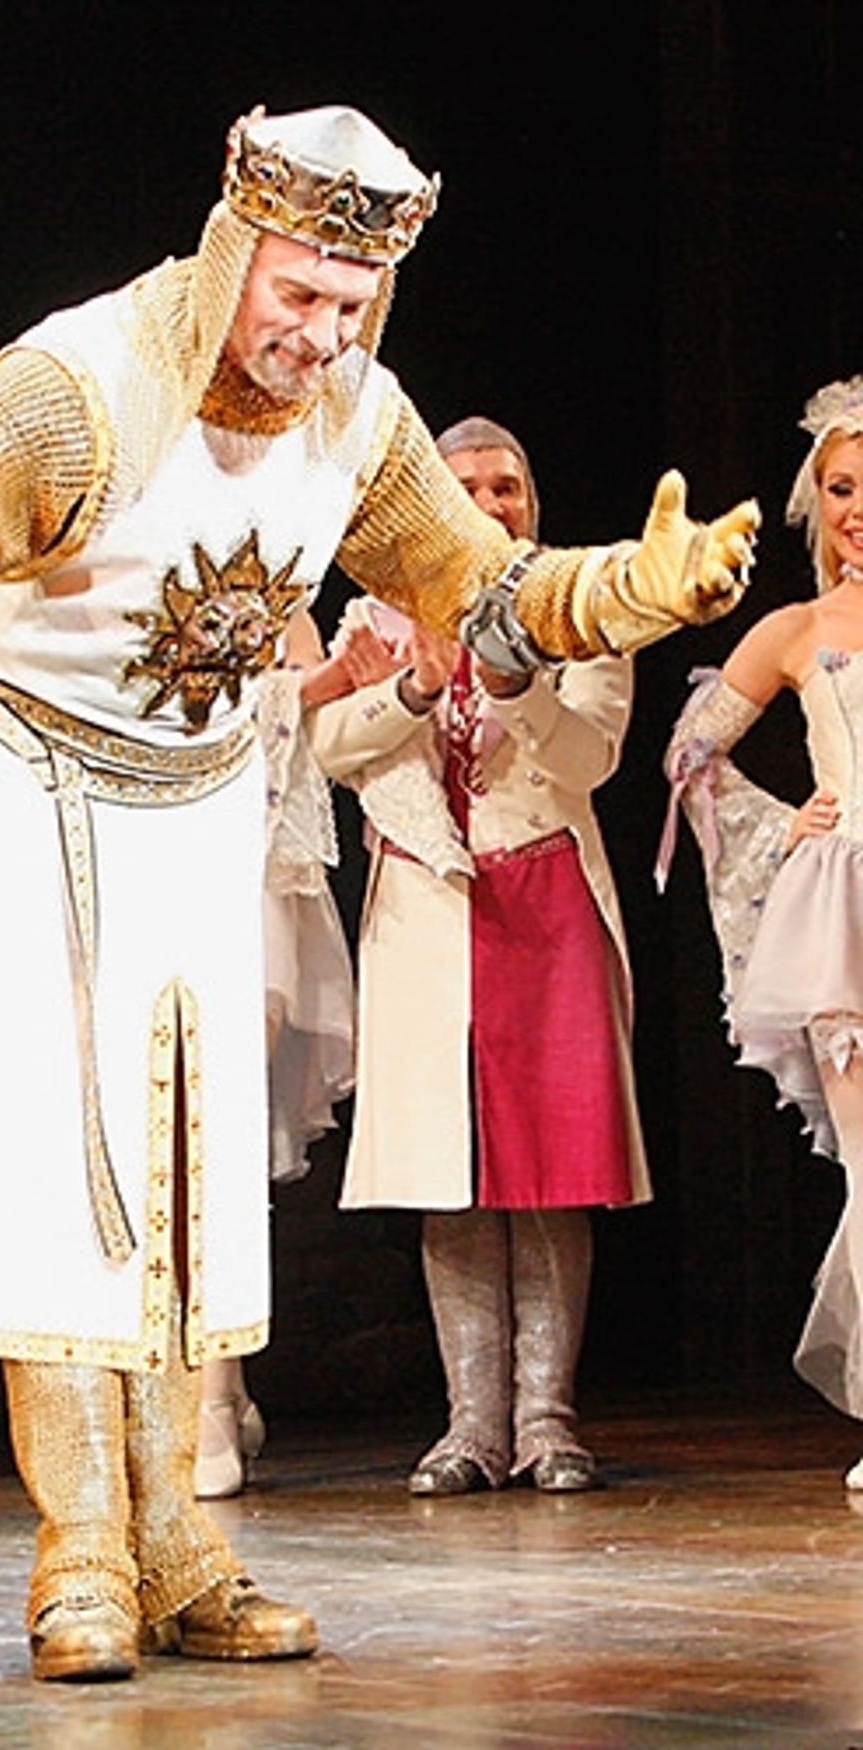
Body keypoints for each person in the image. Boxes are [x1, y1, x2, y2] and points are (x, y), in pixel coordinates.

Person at [0, 104, 757, 1682]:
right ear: (235, 251)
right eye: (300, 292)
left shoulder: (360, 419)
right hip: (26, 789)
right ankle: (80, 1552)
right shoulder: (84, 382)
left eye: (352, 303)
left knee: (185, 1171)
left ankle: (179, 1543)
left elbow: (483, 587)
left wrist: (628, 590)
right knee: (69, 1174)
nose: (322, 331)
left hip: (193, 799)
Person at [308, 417, 649, 1496]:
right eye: (465, 486)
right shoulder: (375, 612)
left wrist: (510, 684)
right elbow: (327, 746)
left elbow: (589, 757)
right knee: (442, 1172)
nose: (489, 503)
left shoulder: (577, 611)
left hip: (544, 899)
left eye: (506, 486)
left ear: (530, 502)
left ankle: (546, 1421)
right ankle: (469, 1427)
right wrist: (413, 688)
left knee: (551, 1173)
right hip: (426, 904)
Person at [664, 376, 863, 1493]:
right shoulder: (795, 631)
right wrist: (782, 824)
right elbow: (690, 751)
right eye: (841, 488)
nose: (856, 509)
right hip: (841, 915)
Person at [193, 607, 355, 1499]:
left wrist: (323, 682)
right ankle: (190, 1382)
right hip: (130, 863)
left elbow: (311, 693)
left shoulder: (269, 584)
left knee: (215, 1137)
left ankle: (212, 1394)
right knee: (150, 1142)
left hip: (248, 867)